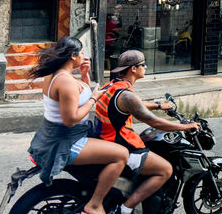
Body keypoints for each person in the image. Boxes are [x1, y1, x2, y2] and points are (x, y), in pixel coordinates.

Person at [28, 36, 129, 214]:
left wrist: (84, 75)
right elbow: (71, 118)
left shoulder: (57, 75)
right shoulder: (65, 82)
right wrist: (94, 99)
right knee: (122, 155)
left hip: (57, 135)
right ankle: (95, 205)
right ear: (73, 56)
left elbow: (79, 95)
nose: (83, 56)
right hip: (66, 139)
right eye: (81, 53)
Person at [93, 50, 199, 214]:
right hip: (122, 145)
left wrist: (158, 105)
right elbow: (154, 121)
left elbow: (135, 104)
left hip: (106, 140)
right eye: (143, 64)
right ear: (133, 69)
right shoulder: (127, 95)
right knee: (166, 170)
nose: (146, 67)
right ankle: (125, 209)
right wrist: (186, 126)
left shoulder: (113, 85)